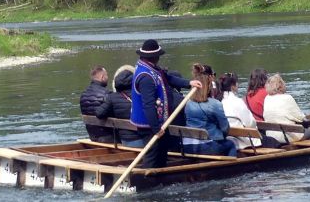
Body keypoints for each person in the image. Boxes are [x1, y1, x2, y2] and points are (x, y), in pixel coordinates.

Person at [129, 39, 202, 168]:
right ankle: (148, 180)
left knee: (162, 151)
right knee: (153, 154)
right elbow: (148, 105)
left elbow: (169, 78)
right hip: (149, 126)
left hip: (160, 123)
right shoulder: (146, 77)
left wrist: (188, 83)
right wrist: (156, 129)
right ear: (154, 57)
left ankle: (160, 174)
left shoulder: (153, 69)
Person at [181, 64, 238, 157]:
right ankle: (231, 169)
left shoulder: (188, 103)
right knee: (231, 144)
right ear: (208, 86)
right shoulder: (215, 104)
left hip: (186, 146)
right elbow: (225, 128)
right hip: (204, 146)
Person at [95, 65, 144, 147]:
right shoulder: (141, 95)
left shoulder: (112, 97)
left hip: (125, 141)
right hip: (142, 140)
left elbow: (99, 113)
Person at [262, 74, 310, 143]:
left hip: (271, 136)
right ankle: (307, 152)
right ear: (281, 86)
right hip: (286, 136)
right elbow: (300, 118)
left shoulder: (267, 98)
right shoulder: (287, 98)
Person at [219, 72, 268, 151]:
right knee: (272, 141)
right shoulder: (237, 101)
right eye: (237, 83)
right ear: (233, 86)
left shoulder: (219, 101)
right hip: (244, 142)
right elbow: (250, 123)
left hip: (228, 139)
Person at [80, 65, 113, 142]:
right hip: (109, 137)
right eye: (106, 75)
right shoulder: (107, 94)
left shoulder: (83, 95)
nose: (107, 77)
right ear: (102, 77)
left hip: (93, 136)